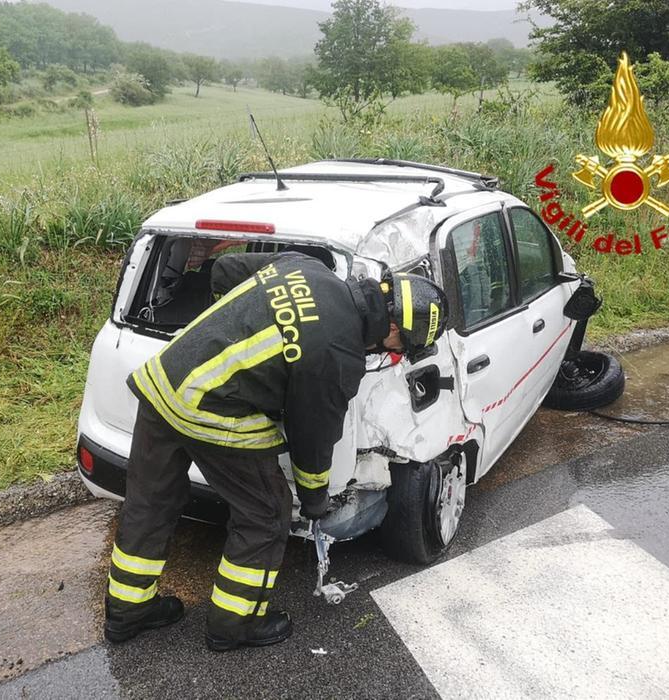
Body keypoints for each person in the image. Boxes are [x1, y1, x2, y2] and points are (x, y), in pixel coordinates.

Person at [103, 250, 448, 650]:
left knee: (151, 501)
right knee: (266, 513)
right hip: (209, 407)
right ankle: (234, 624)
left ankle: (127, 611)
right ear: (392, 325)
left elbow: (225, 270)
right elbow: (312, 438)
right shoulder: (339, 355)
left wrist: (238, 335)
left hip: (163, 380)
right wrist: (314, 499)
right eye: (402, 345)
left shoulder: (308, 267)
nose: (396, 353)